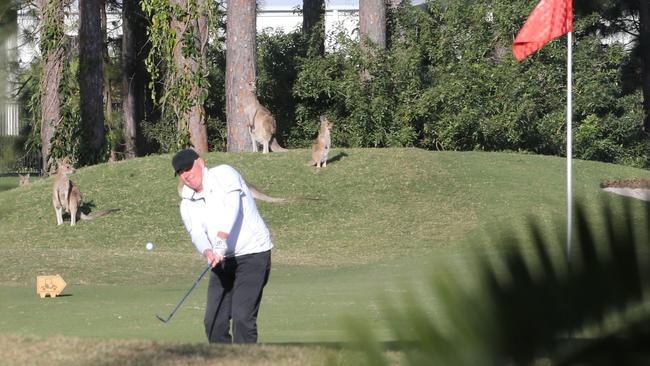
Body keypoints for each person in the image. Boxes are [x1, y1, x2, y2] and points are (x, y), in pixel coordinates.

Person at [172, 148, 272, 343]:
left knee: (242, 317)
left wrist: (219, 241)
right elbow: (197, 234)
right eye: (181, 172)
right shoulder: (187, 203)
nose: (186, 175)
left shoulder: (224, 173)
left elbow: (232, 208)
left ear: (200, 163)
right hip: (221, 260)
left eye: (188, 168)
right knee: (213, 322)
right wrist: (207, 251)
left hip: (253, 253)